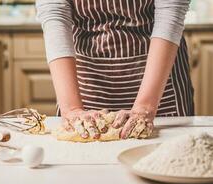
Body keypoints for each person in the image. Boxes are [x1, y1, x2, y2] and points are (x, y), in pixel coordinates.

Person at [36, 0, 193, 138]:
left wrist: (145, 107)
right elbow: (54, 11)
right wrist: (72, 109)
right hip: (87, 82)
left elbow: (170, 11)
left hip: (160, 87)